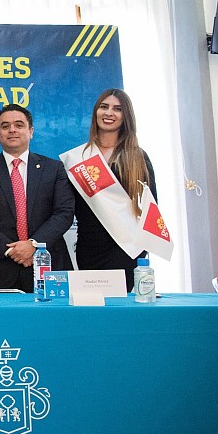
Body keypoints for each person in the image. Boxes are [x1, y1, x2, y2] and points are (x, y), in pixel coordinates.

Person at [0, 104, 74, 291]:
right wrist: (11, 250)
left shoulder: (54, 169)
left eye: (19, 125)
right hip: (0, 267)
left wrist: (33, 245)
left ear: (31, 131)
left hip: (47, 264)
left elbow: (64, 212)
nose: (12, 130)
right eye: (5, 126)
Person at [74, 88, 157, 290]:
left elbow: (150, 208)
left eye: (117, 109)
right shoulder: (79, 158)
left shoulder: (137, 157)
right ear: (96, 112)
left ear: (125, 116)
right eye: (104, 107)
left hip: (126, 248)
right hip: (89, 247)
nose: (109, 113)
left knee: (121, 305)